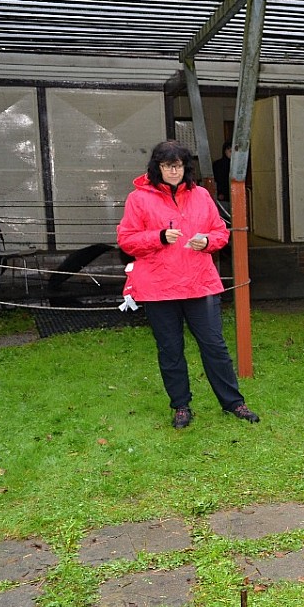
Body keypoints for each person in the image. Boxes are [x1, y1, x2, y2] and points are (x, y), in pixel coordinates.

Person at [117, 140, 260, 430]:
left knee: (214, 346)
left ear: (186, 167)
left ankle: (234, 402)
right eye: (168, 165)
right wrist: (157, 237)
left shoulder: (202, 195)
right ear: (157, 167)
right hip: (158, 288)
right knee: (170, 349)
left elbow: (220, 232)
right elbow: (126, 240)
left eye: (179, 165)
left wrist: (208, 241)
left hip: (199, 283)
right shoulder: (138, 198)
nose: (173, 170)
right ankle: (181, 406)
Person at [211, 140, 232, 225]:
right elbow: (218, 179)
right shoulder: (219, 164)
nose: (232, 153)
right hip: (223, 194)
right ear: (225, 151)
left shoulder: (234, 164)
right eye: (230, 151)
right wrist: (220, 192)